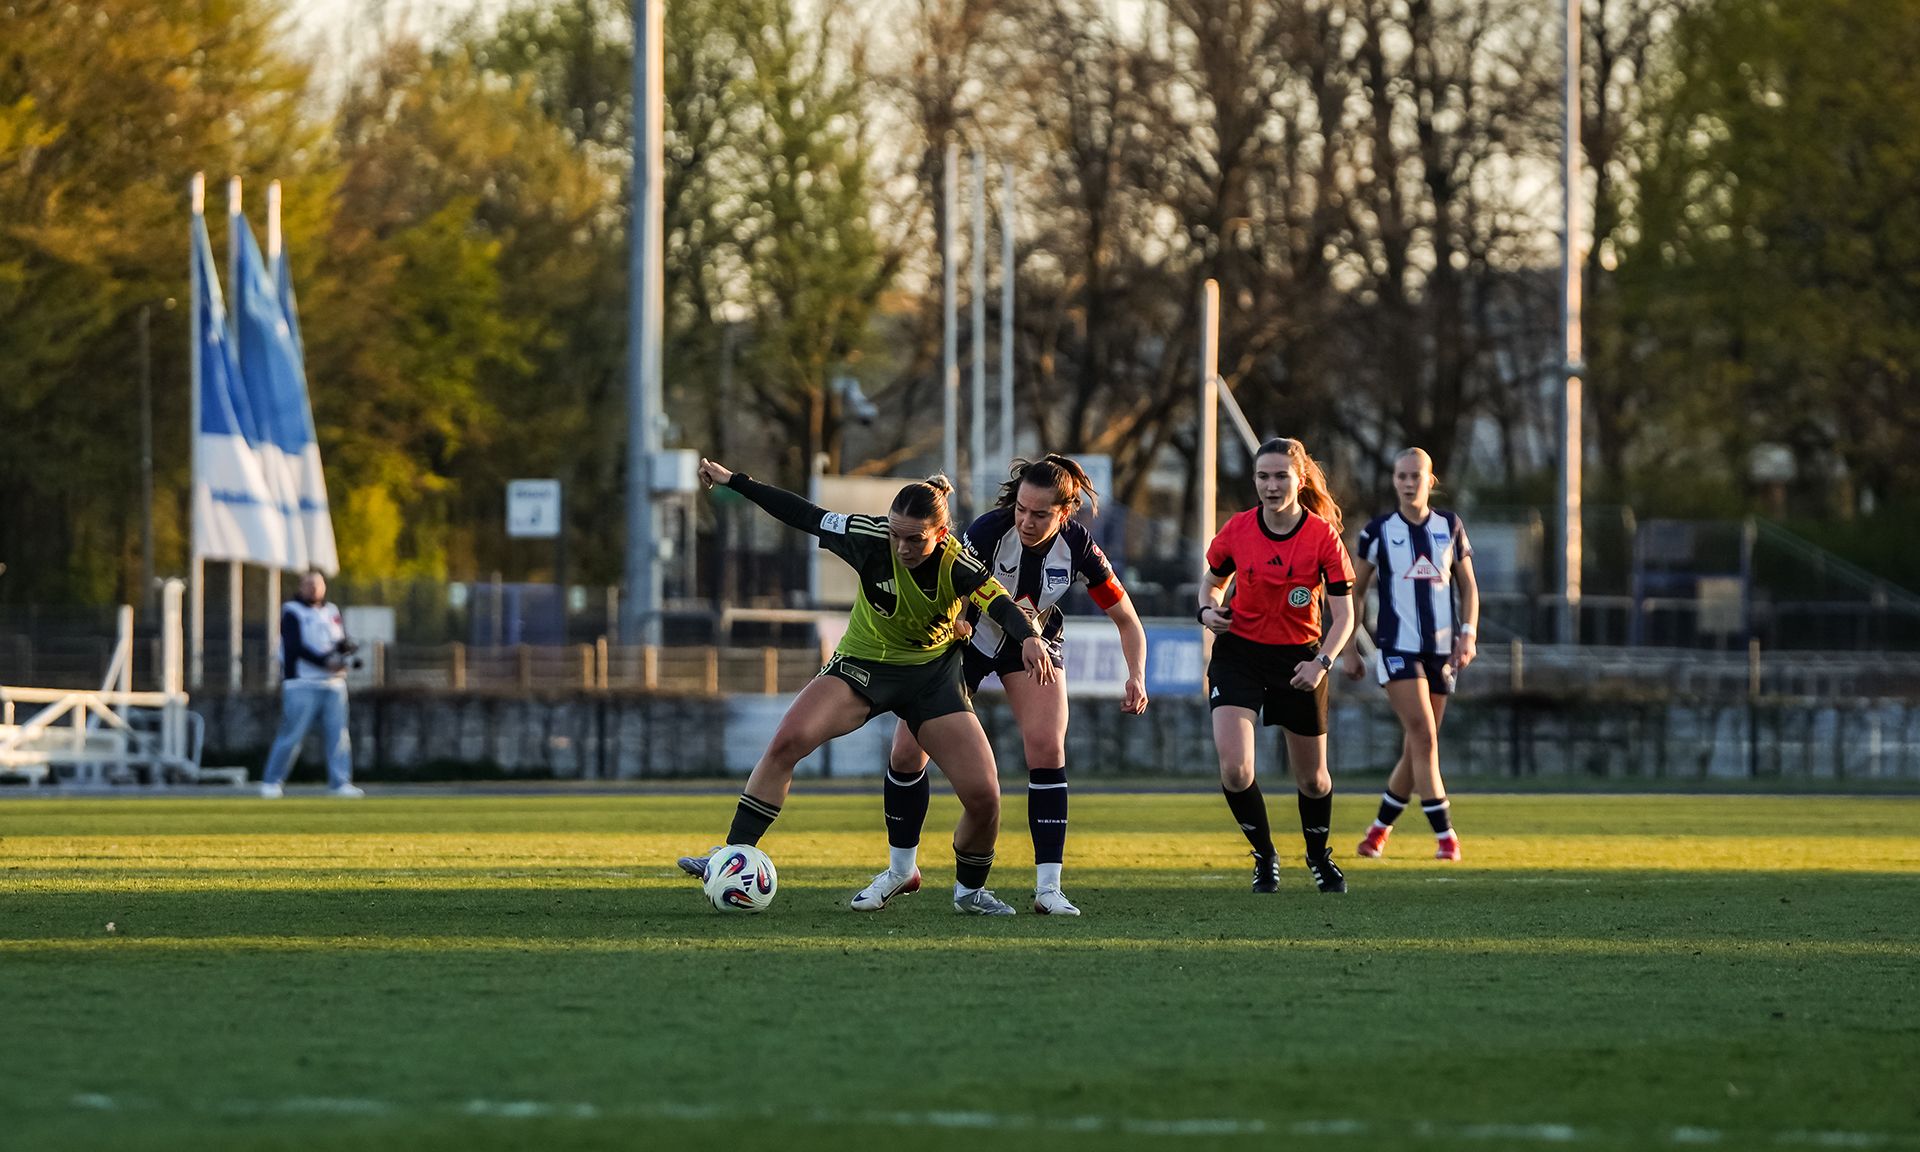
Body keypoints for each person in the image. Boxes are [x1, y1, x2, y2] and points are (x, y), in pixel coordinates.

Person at [675, 459, 1054, 915]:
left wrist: (1029, 636)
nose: (902, 547)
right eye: (896, 534)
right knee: (786, 742)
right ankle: (729, 855)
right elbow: (804, 514)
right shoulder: (868, 536)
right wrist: (737, 480)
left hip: (931, 679)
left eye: (915, 539)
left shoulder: (958, 564)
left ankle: (969, 892)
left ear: (940, 534)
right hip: (863, 666)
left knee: (985, 797)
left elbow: (1003, 606)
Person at [853, 455, 1149, 917]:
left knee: (1048, 749)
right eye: (1022, 510)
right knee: (907, 752)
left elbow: (1127, 619)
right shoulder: (988, 531)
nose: (1027, 521)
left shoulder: (1080, 547)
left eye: (1041, 514)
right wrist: (961, 622)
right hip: (969, 641)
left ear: (1064, 513)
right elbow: (955, 583)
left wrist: (1136, 675)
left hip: (1033, 648)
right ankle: (900, 871)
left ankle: (1048, 888)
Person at [1199, 437, 1355, 894]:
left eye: (1280, 476)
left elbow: (1345, 616)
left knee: (1313, 778)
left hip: (1299, 661)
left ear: (1299, 479)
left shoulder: (1323, 537)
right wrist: (1208, 613)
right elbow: (1209, 587)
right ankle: (1265, 856)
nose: (1271, 485)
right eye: (1263, 477)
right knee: (1236, 770)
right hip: (1239, 655)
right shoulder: (1237, 529)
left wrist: (1321, 663)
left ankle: (1318, 856)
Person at [1341, 447, 1480, 860]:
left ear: (1430, 480)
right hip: (1397, 648)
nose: (1407, 483)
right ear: (1393, 480)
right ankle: (1446, 836)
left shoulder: (1450, 526)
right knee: (1423, 735)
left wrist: (1468, 634)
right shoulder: (1378, 531)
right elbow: (1353, 591)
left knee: (1419, 746)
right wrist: (1349, 647)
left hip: (1441, 651)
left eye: (1415, 476)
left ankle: (1377, 832)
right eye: (1401, 476)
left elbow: (1469, 586)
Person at [260, 570, 363, 798]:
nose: (313, 589)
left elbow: (338, 640)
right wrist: (325, 662)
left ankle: (340, 783)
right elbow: (296, 648)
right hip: (301, 683)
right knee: (292, 734)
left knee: (338, 736)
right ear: (301, 587)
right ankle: (271, 781)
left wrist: (345, 651)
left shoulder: (331, 611)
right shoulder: (292, 611)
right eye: (308, 584)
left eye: (317, 584)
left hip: (333, 684)